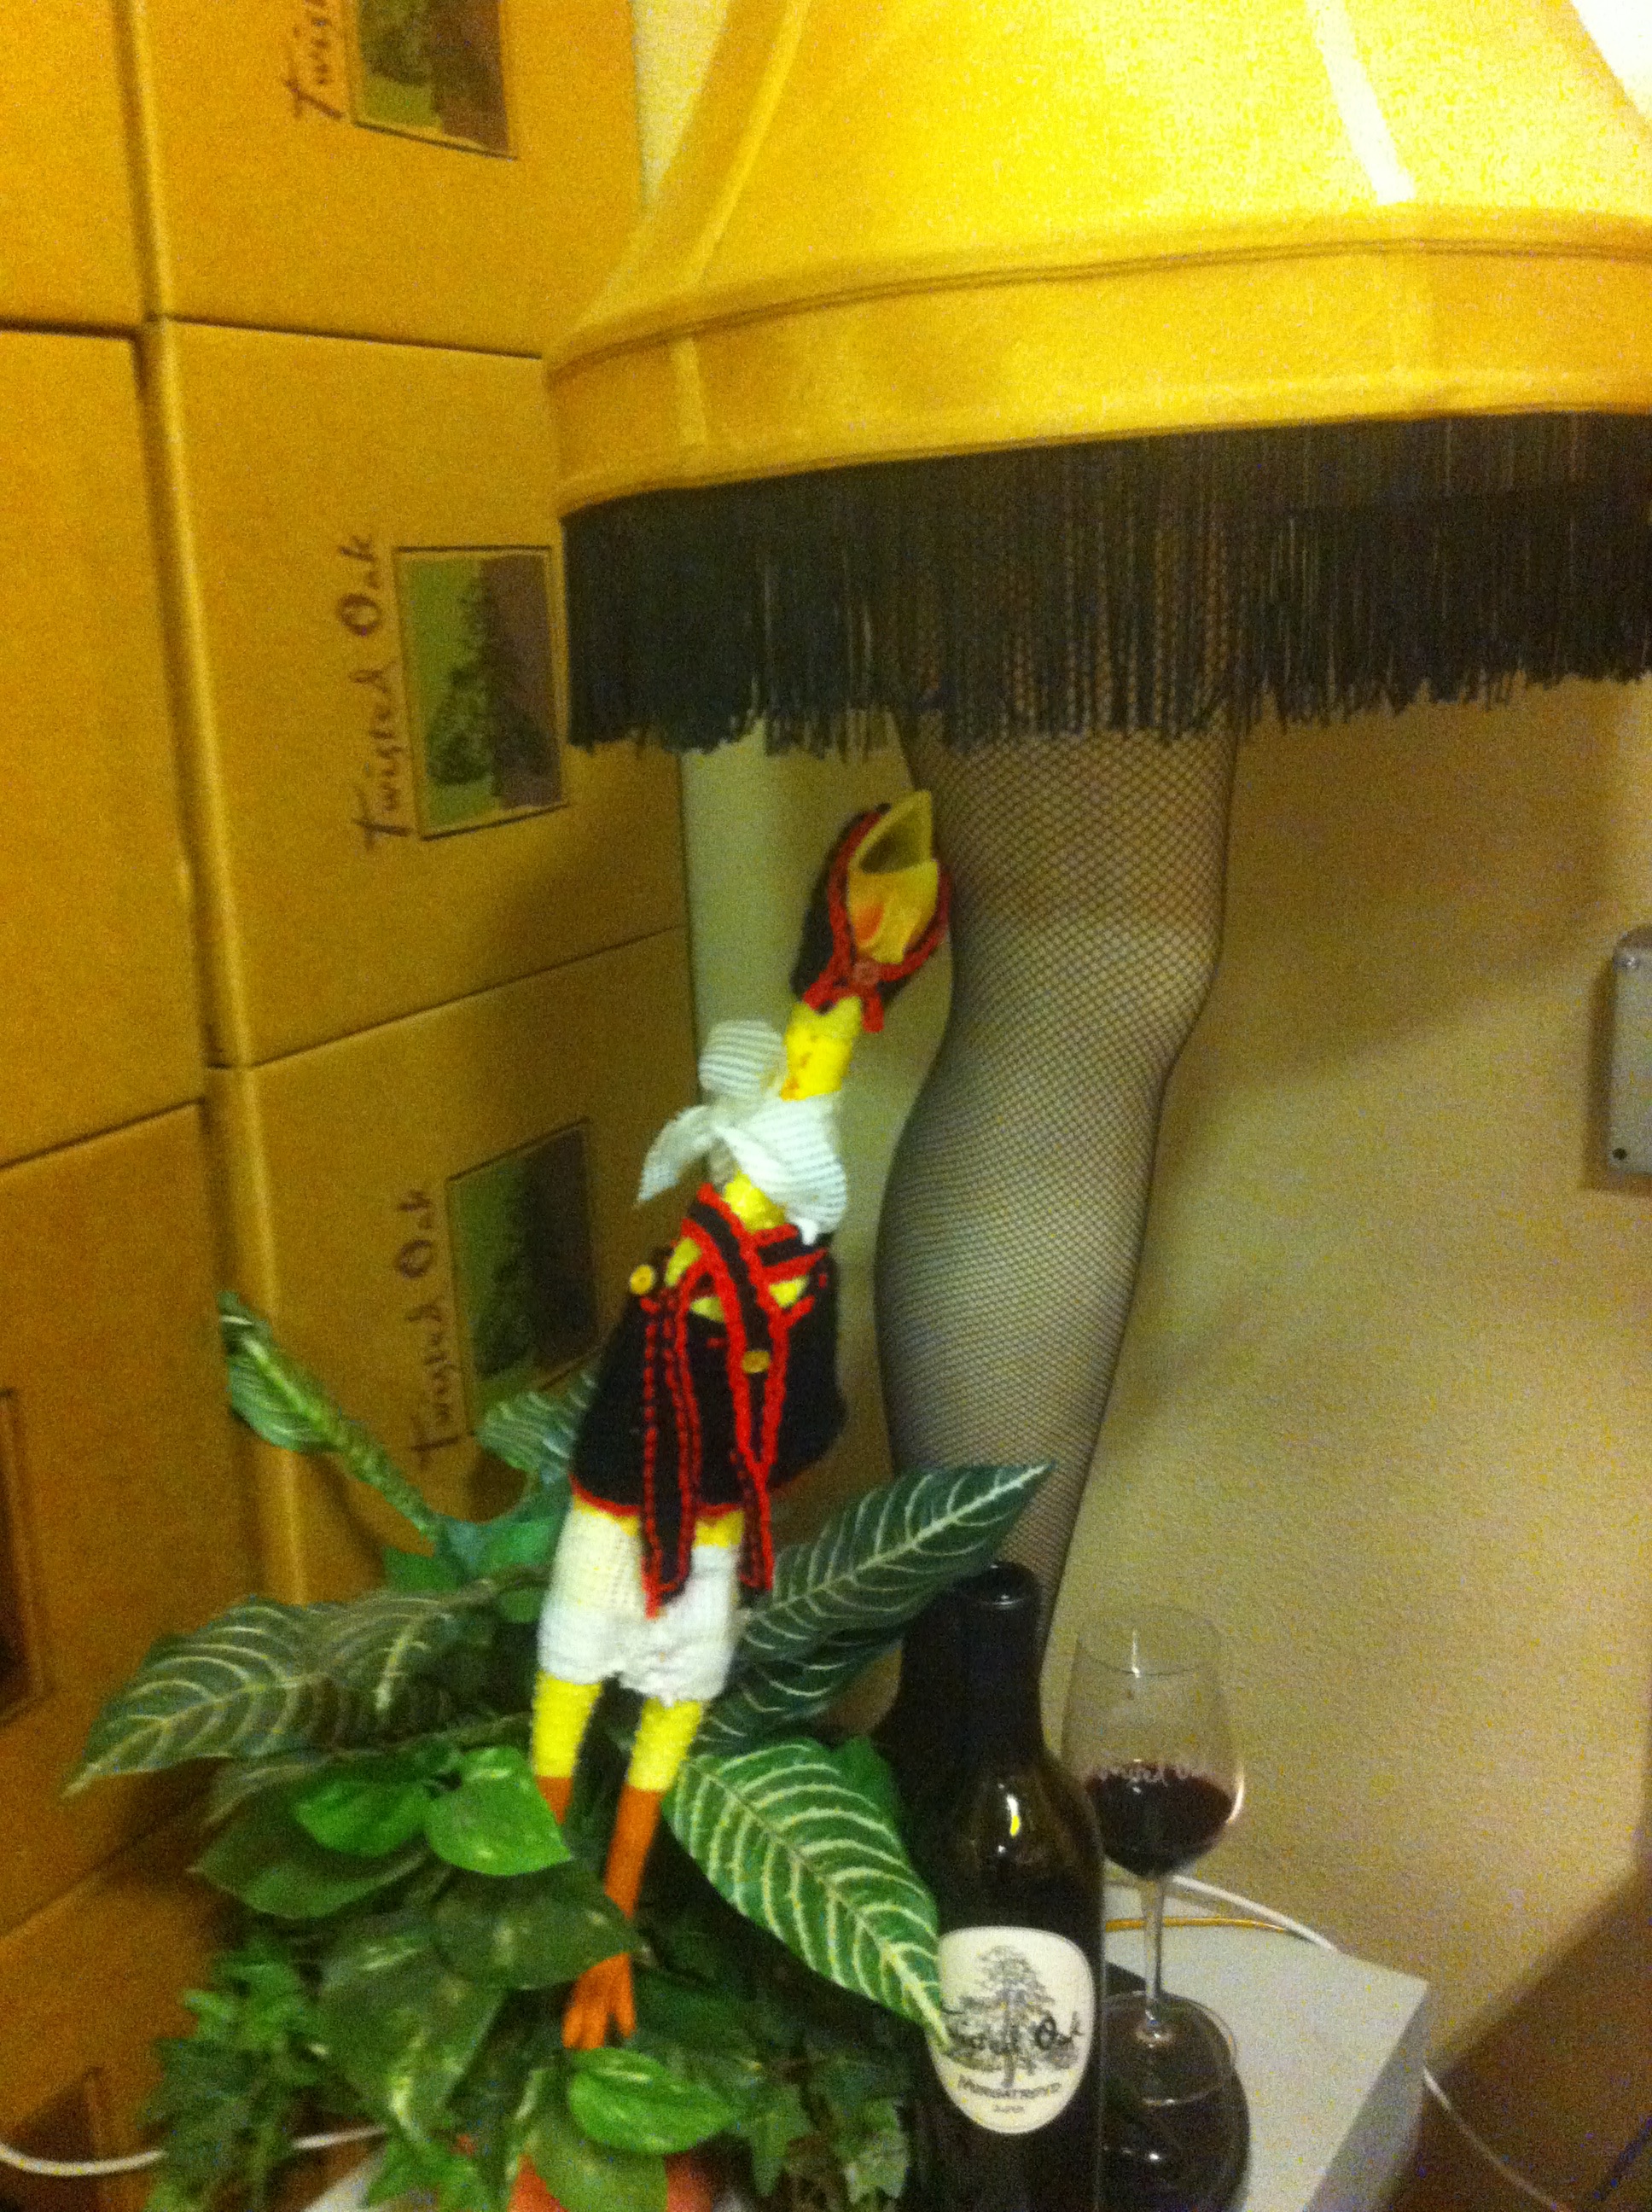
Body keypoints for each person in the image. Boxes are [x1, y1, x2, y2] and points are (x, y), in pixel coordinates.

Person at [532, 792, 950, 2047]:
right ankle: (538, 1914)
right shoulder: (686, 1276)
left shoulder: (789, 1284)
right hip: (625, 1499)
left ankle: (609, 1924)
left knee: (671, 1709)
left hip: (708, 1521)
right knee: (566, 1679)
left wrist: (751, 1469)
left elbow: (807, 1415)